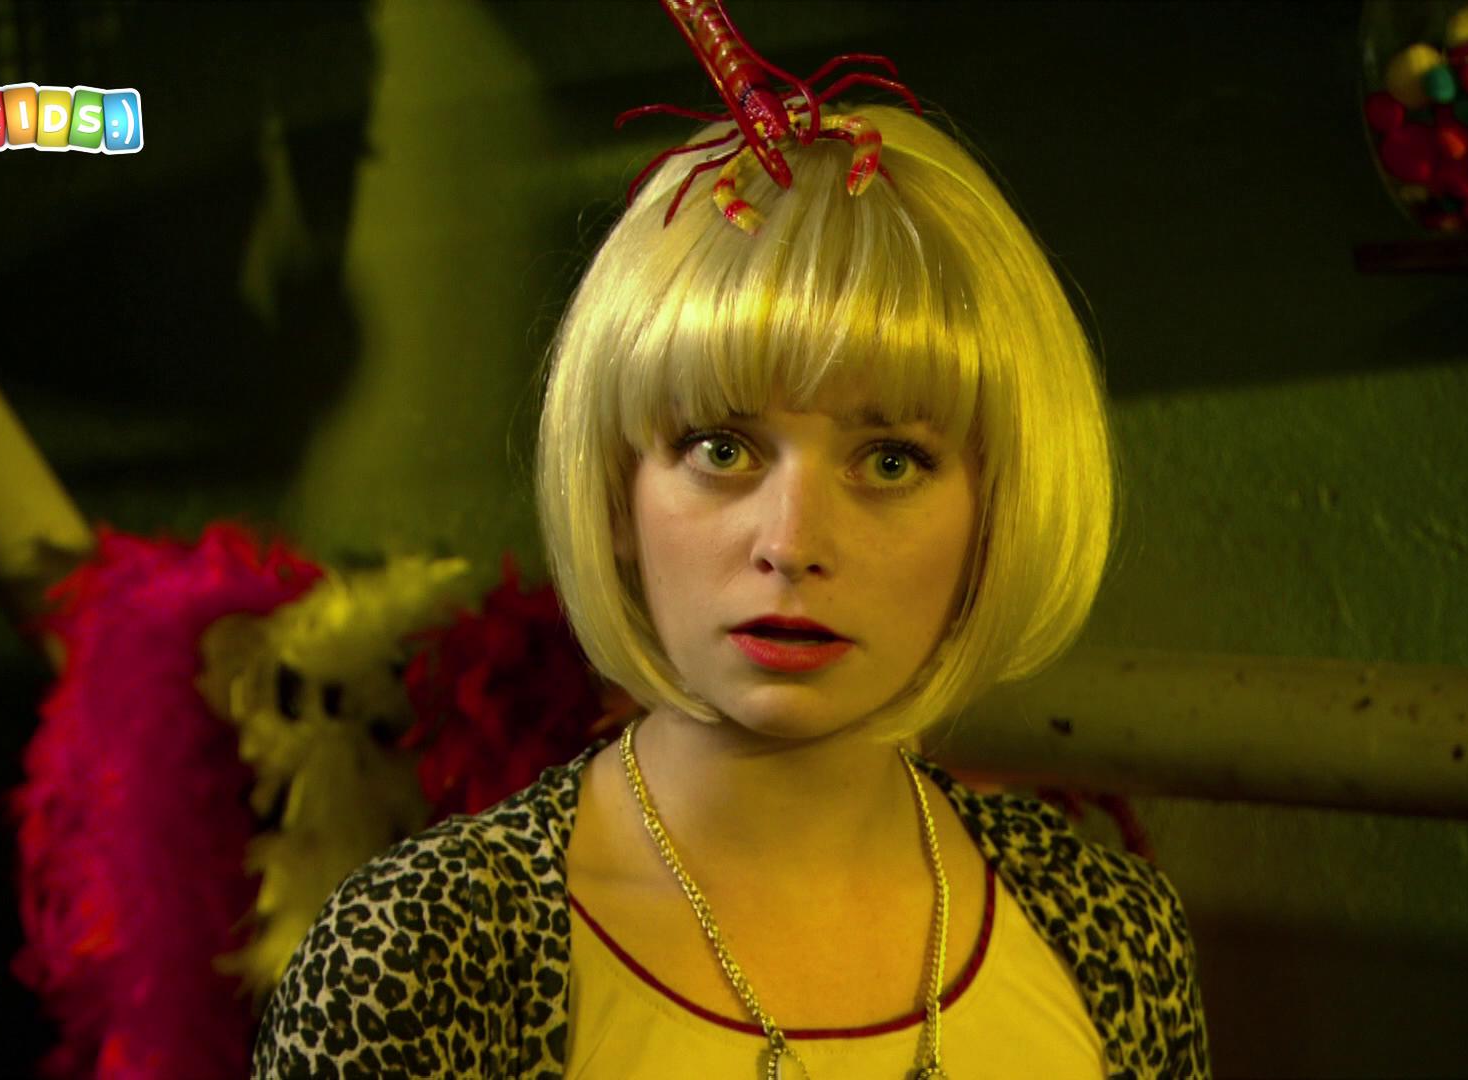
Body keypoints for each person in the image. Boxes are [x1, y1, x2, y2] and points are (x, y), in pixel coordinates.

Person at [252, 102, 1210, 1079]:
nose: (791, 544)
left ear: (998, 509)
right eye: (722, 449)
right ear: (615, 491)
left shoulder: (1109, 931)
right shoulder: (427, 955)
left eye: (889, 461)